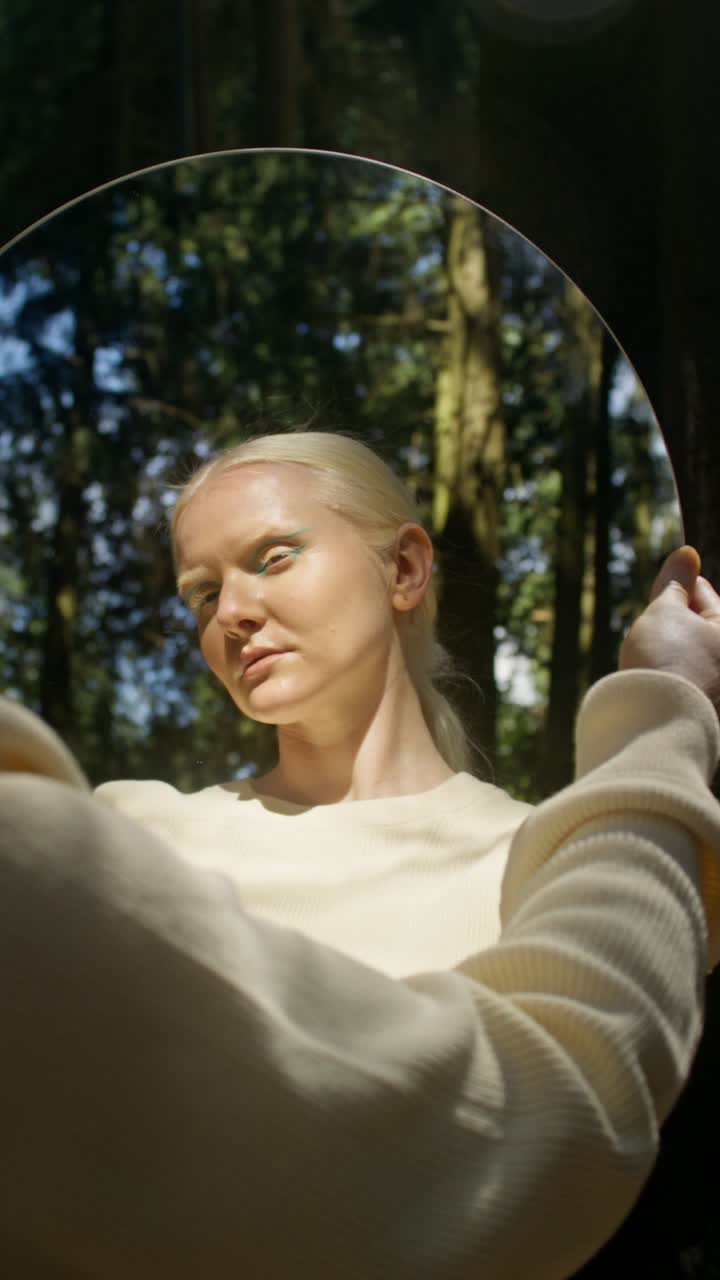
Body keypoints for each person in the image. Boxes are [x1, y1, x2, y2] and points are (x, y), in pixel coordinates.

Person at [1, 428, 719, 1279]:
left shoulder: (551, 858)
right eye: (201, 594)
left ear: (405, 570)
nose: (230, 611)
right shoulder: (127, 832)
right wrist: (665, 714)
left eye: (272, 557)